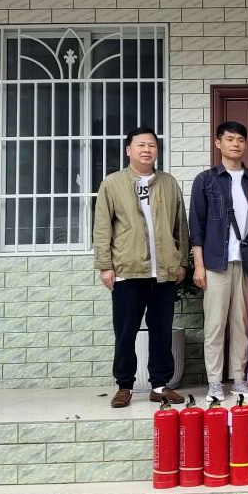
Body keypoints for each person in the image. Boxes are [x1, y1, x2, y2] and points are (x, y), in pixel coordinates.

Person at [93, 127, 188, 408]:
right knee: (125, 333)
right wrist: (105, 266)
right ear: (128, 150)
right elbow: (102, 228)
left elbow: (180, 226)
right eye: (141, 145)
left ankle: (160, 385)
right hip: (127, 271)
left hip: (164, 273)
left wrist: (181, 261)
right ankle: (125, 385)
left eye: (152, 145)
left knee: (161, 331)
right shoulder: (112, 184)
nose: (147, 150)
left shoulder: (168, 183)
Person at [189, 121, 248, 402]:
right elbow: (196, 226)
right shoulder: (205, 180)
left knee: (242, 323)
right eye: (230, 139)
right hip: (215, 262)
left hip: (246, 263)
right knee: (215, 325)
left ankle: (239, 378)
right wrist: (198, 265)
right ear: (218, 143)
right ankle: (214, 382)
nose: (236, 144)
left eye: (240, 140)